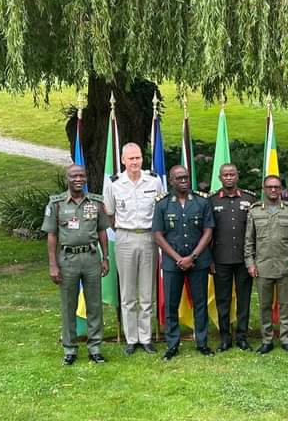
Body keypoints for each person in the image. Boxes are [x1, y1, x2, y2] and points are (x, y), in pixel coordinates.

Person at [42, 164, 110, 365]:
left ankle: (95, 348)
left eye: (81, 175)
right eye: (74, 176)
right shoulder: (56, 204)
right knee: (68, 305)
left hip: (91, 258)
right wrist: (53, 265)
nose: (78, 179)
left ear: (86, 178)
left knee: (94, 305)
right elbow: (52, 235)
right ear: (67, 179)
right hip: (68, 260)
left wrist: (105, 257)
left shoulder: (96, 202)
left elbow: (102, 231)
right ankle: (70, 349)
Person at [102, 143, 163, 356]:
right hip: (125, 237)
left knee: (146, 291)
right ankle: (131, 339)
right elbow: (109, 212)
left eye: (137, 158)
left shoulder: (153, 181)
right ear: (123, 160)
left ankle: (145, 338)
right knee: (127, 292)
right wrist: (122, 231)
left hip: (148, 237)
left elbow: (160, 208)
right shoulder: (114, 184)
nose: (135, 162)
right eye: (131, 159)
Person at [152, 165, 215, 360]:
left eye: (186, 177)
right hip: (173, 263)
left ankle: (202, 342)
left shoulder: (201, 201)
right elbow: (157, 235)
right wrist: (178, 258)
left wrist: (192, 257)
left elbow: (208, 231)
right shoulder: (162, 204)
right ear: (171, 180)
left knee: (200, 302)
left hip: (198, 261)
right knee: (171, 304)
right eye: (179, 178)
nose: (184, 181)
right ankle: (172, 344)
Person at [244, 176, 288, 355]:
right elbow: (249, 240)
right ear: (264, 189)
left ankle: (285, 339)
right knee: (264, 306)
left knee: (285, 305)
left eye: (276, 187)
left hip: (285, 265)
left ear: (281, 189)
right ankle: (267, 339)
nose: (273, 190)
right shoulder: (255, 211)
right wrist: (250, 263)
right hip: (263, 266)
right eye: (269, 187)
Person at [208, 164, 258, 352]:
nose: (229, 178)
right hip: (220, 259)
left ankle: (242, 337)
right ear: (220, 178)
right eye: (225, 175)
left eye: (232, 174)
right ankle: (225, 337)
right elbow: (207, 233)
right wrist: (210, 260)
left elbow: (256, 231)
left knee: (244, 299)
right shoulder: (211, 201)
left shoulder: (250, 199)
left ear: (238, 176)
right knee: (223, 300)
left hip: (245, 259)